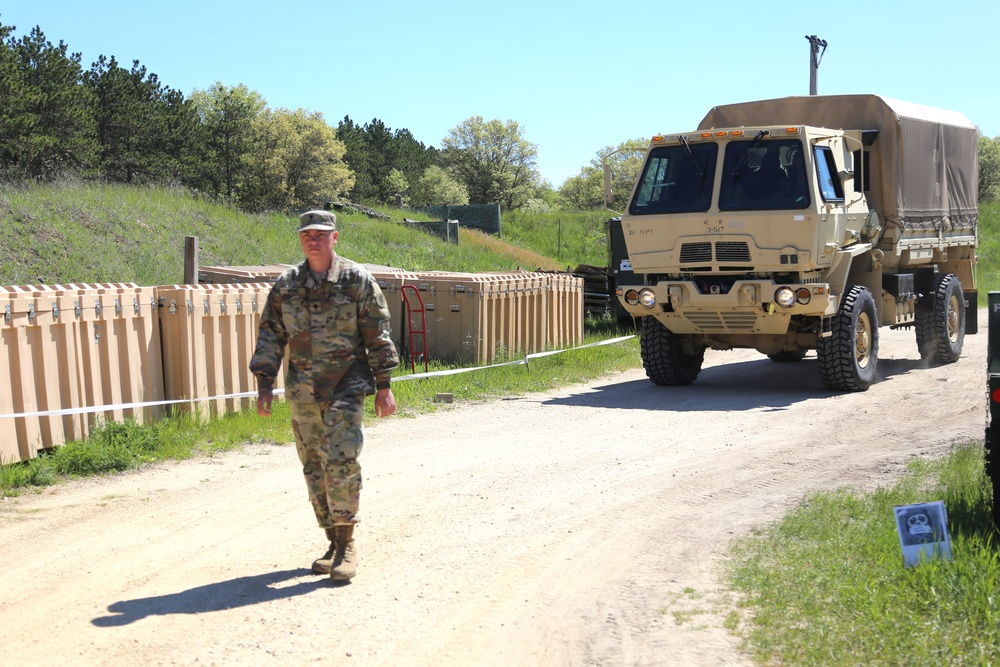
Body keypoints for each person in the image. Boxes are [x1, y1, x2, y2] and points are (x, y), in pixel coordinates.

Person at [250, 209, 399, 581]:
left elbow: (377, 335)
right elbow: (271, 334)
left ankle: (348, 544)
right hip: (302, 391)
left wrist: (385, 386)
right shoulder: (287, 284)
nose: (313, 239)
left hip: (346, 388)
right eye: (307, 235)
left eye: (320, 234)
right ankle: (332, 540)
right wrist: (264, 384)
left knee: (342, 462)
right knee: (313, 467)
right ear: (301, 239)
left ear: (335, 237)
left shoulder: (356, 280)